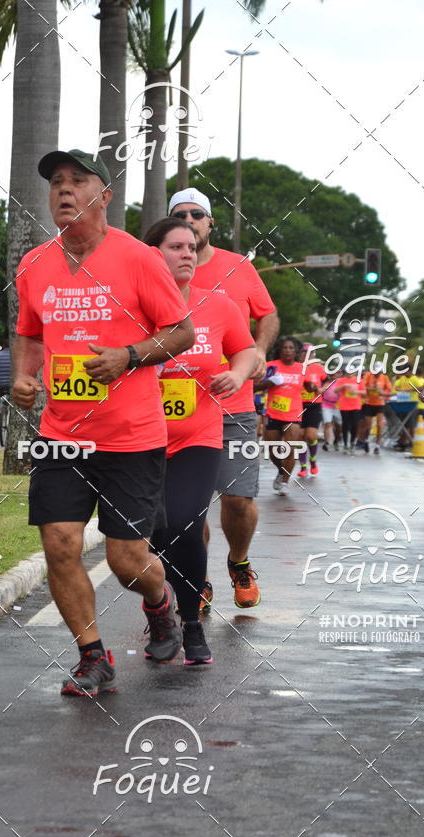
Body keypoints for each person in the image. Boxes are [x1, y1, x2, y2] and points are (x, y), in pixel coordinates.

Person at [13, 149, 195, 696]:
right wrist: (22, 376)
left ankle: (160, 605)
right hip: (61, 434)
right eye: (56, 183)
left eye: (77, 181)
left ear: (105, 195)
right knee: (59, 543)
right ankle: (93, 657)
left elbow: (182, 332)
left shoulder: (139, 258)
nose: (64, 190)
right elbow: (29, 334)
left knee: (126, 560)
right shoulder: (35, 264)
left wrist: (129, 356)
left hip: (131, 437)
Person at [144, 218, 257, 651]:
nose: (188, 254)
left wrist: (237, 374)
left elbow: (245, 350)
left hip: (199, 435)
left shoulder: (219, 305)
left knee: (185, 524)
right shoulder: (129, 306)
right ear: (153, 255)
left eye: (192, 247)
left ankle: (190, 624)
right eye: (176, 247)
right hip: (139, 437)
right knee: (153, 535)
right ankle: (161, 614)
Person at [168, 188, 279, 609]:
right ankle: (197, 579)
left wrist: (259, 350)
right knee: (190, 508)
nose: (190, 220)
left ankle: (239, 561)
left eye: (197, 214)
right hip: (176, 409)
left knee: (238, 499)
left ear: (211, 222)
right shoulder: (157, 269)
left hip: (233, 406)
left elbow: (268, 314)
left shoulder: (238, 267)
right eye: (181, 214)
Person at [255, 336, 304, 495]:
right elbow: (254, 387)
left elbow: (312, 386)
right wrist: (269, 383)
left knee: (290, 448)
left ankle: (284, 483)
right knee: (272, 451)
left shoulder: (302, 369)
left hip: (294, 414)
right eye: (285, 348)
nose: (288, 351)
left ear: (295, 351)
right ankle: (282, 471)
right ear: (280, 350)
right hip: (273, 413)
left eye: (291, 348)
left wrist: (312, 387)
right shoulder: (271, 366)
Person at [298, 343, 326, 477]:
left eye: (312, 353)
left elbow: (328, 382)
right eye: (306, 353)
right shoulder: (296, 367)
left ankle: (313, 461)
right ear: (301, 354)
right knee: (300, 437)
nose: (309, 356)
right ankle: (303, 466)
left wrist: (321, 389)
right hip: (298, 406)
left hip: (314, 406)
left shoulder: (319, 368)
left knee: (311, 436)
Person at [356, 363, 392, 454]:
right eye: (375, 372)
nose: (377, 374)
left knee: (379, 425)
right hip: (369, 403)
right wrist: (370, 388)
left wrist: (382, 392)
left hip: (380, 404)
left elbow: (390, 389)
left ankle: (377, 446)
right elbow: (362, 386)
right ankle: (366, 440)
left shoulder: (385, 377)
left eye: (379, 372)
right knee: (368, 426)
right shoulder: (368, 375)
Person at [333, 371, 366, 453]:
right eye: (348, 372)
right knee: (345, 424)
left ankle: (352, 443)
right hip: (344, 406)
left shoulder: (359, 380)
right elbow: (335, 390)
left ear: (354, 373)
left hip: (356, 405)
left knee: (355, 424)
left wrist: (356, 392)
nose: (349, 374)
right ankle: (345, 444)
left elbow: (364, 392)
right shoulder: (341, 380)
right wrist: (343, 386)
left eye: (351, 372)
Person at [321, 367, 342, 451]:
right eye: (332, 373)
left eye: (336, 373)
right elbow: (320, 391)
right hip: (326, 405)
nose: (333, 375)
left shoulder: (341, 383)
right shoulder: (325, 383)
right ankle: (326, 443)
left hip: (338, 406)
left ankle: (336, 440)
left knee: (338, 426)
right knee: (327, 423)